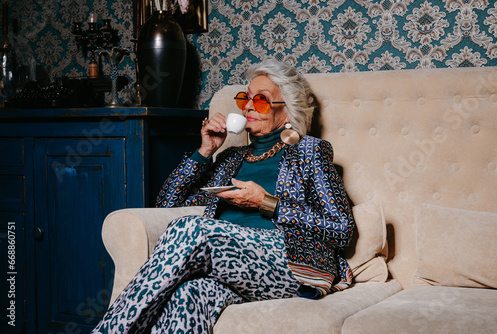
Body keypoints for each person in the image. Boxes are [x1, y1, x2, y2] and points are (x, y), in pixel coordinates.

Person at [93, 59, 354, 333]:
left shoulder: (310, 152)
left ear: (287, 112)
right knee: (189, 295)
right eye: (246, 98)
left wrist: (266, 202)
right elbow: (166, 204)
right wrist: (205, 151)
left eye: (261, 101)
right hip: (230, 268)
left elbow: (341, 229)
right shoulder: (230, 158)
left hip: (289, 261)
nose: (249, 106)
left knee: (188, 229)